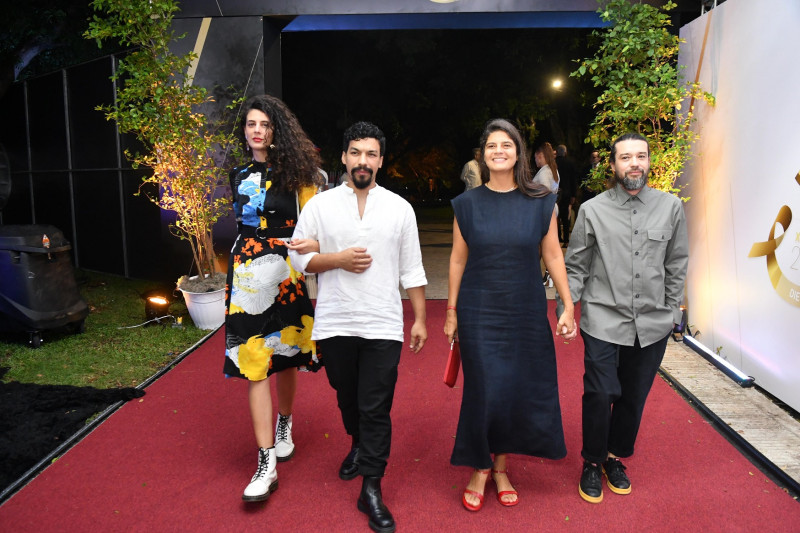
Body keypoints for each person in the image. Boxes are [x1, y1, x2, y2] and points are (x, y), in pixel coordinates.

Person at [289, 121, 428, 533]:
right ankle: (357, 442)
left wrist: (420, 317)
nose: (362, 161)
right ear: (345, 157)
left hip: (384, 323)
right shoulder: (320, 205)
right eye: (355, 152)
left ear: (381, 161)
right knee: (346, 396)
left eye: (371, 154)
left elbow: (413, 269)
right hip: (335, 321)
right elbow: (299, 259)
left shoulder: (400, 208)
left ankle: (372, 486)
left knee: (375, 406)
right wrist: (337, 260)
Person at [443, 118, 577, 512]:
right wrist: (450, 311)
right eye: (491, 146)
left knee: (514, 389)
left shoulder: (540, 201)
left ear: (518, 152)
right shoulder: (466, 204)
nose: (498, 151)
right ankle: (480, 467)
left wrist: (567, 304)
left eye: (507, 144)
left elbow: (552, 255)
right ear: (482, 155)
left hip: (525, 310)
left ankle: (499, 467)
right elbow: (456, 260)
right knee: (485, 388)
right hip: (479, 310)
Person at [556, 132, 689, 504]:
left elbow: (677, 262)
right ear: (612, 165)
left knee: (633, 396)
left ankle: (615, 457)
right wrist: (567, 307)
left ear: (649, 162)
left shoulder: (670, 207)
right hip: (603, 318)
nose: (634, 163)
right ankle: (591, 461)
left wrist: (670, 307)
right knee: (600, 392)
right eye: (626, 157)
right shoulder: (593, 210)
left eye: (641, 156)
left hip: (652, 323)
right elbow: (577, 266)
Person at [224, 94, 323, 502]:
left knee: (284, 357)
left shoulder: (302, 175)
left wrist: (295, 249)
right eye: (251, 124)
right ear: (245, 131)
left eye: (265, 124)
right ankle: (266, 463)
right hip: (247, 276)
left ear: (277, 131)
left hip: (285, 272)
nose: (257, 131)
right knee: (254, 365)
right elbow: (243, 226)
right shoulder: (237, 173)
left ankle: (285, 422)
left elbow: (317, 232)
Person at [555, 144, 579, 244]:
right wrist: (574, 195)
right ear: (565, 152)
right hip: (567, 193)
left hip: (555, 192)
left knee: (556, 216)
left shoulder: (553, 163)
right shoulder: (570, 163)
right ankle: (566, 239)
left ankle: (557, 238)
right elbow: (573, 180)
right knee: (565, 217)